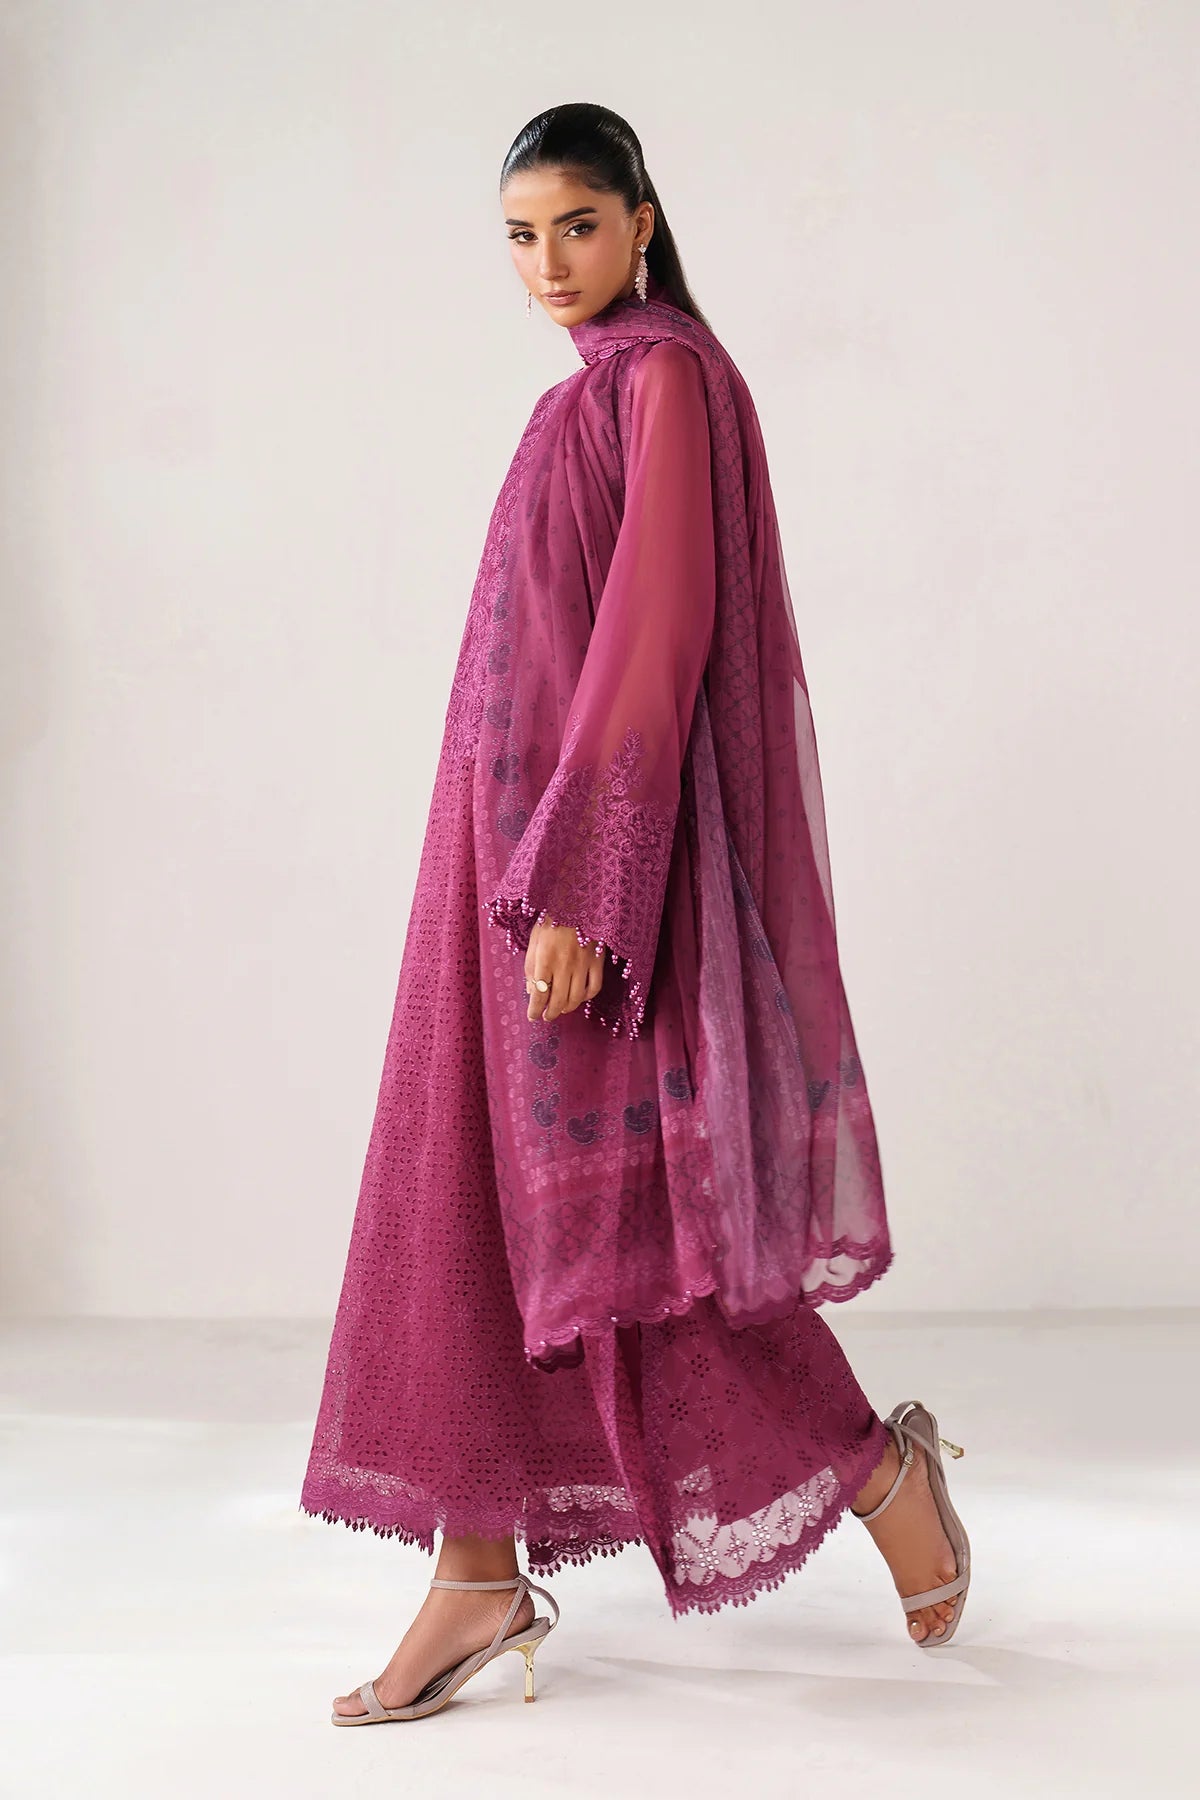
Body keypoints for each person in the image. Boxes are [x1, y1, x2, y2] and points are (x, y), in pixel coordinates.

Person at [301, 103, 971, 1728]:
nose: (549, 264)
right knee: (478, 1210)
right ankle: (474, 1570)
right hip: (496, 868)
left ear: (645, 222)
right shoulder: (584, 393)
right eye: (520, 237)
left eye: (579, 227)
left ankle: (882, 1475)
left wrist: (588, 894)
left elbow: (657, 634)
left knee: (644, 1246)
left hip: (594, 879)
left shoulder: (662, 377)